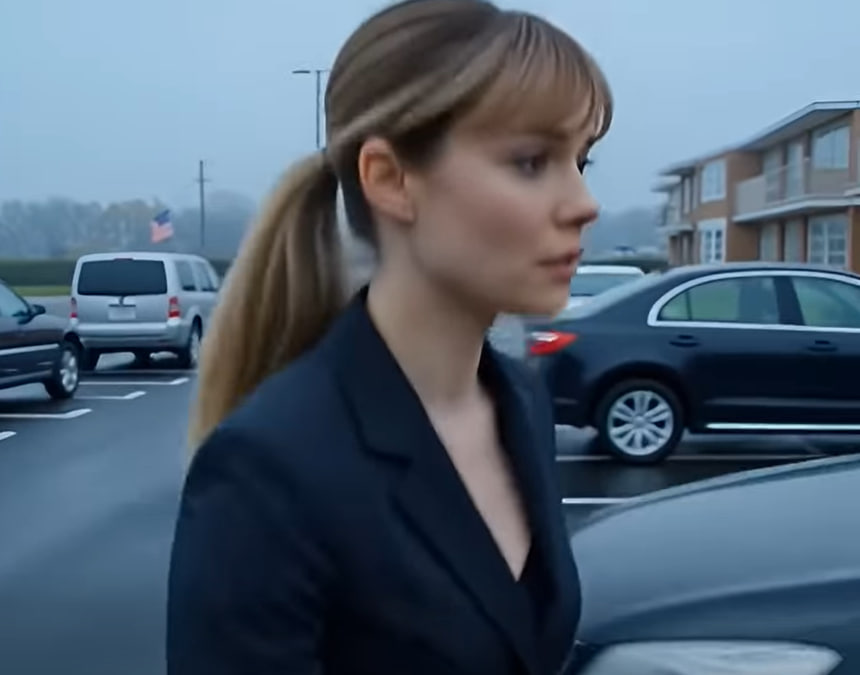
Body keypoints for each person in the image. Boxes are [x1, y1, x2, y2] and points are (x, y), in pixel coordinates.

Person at [166, 0, 611, 673]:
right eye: (531, 161)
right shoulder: (267, 471)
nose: (584, 203)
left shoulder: (521, 400)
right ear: (390, 179)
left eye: (582, 161)